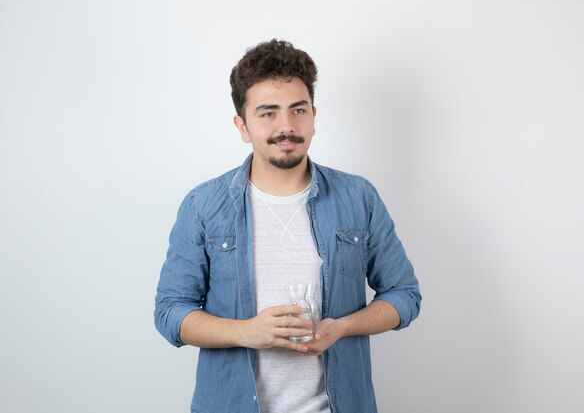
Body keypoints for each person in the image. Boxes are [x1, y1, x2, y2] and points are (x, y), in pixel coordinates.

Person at [154, 39, 421, 413]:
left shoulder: (359, 197)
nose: (286, 127)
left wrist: (341, 328)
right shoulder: (203, 206)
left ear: (313, 116)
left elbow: (404, 295)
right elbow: (170, 313)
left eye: (298, 110)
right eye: (267, 113)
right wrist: (247, 332)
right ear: (242, 126)